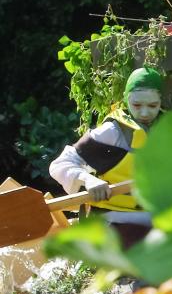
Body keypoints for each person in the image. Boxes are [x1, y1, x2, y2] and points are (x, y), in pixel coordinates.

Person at [49, 67, 164, 245]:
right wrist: (88, 180)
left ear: (160, 102)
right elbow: (60, 164)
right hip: (115, 219)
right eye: (137, 105)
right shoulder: (113, 132)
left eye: (152, 106)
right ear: (127, 100)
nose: (144, 113)